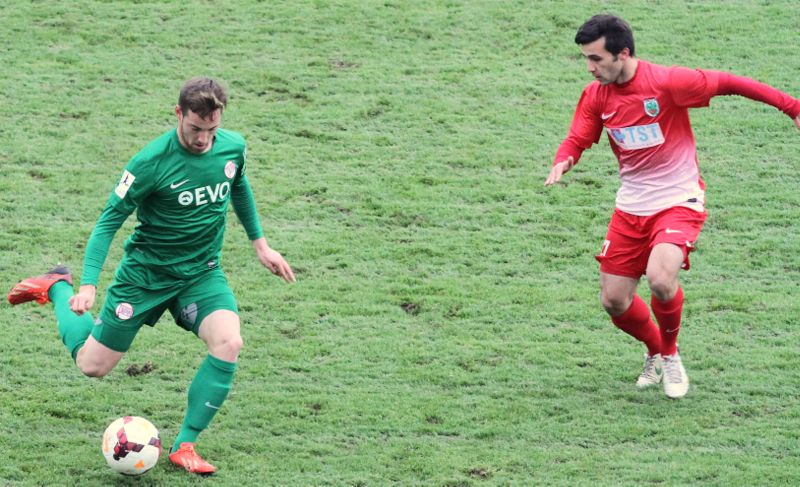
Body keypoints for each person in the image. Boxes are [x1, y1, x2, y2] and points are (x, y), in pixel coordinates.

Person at [8, 77, 295, 474]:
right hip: (144, 278)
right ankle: (57, 286)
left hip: (200, 274)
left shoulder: (232, 146)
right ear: (179, 114)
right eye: (196, 128)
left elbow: (238, 185)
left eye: (211, 129)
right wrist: (88, 284)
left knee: (229, 341)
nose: (203, 139)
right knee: (92, 366)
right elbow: (108, 222)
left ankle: (185, 445)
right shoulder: (150, 163)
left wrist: (260, 245)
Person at [545, 15, 800, 399]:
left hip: (678, 200)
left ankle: (670, 353)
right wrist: (564, 159)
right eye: (586, 59)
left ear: (623, 53)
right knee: (614, 301)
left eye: (596, 58)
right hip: (631, 207)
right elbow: (578, 136)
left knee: (661, 279)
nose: (590, 67)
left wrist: (792, 107)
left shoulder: (667, 82)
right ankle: (655, 351)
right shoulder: (597, 95)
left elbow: (730, 82)